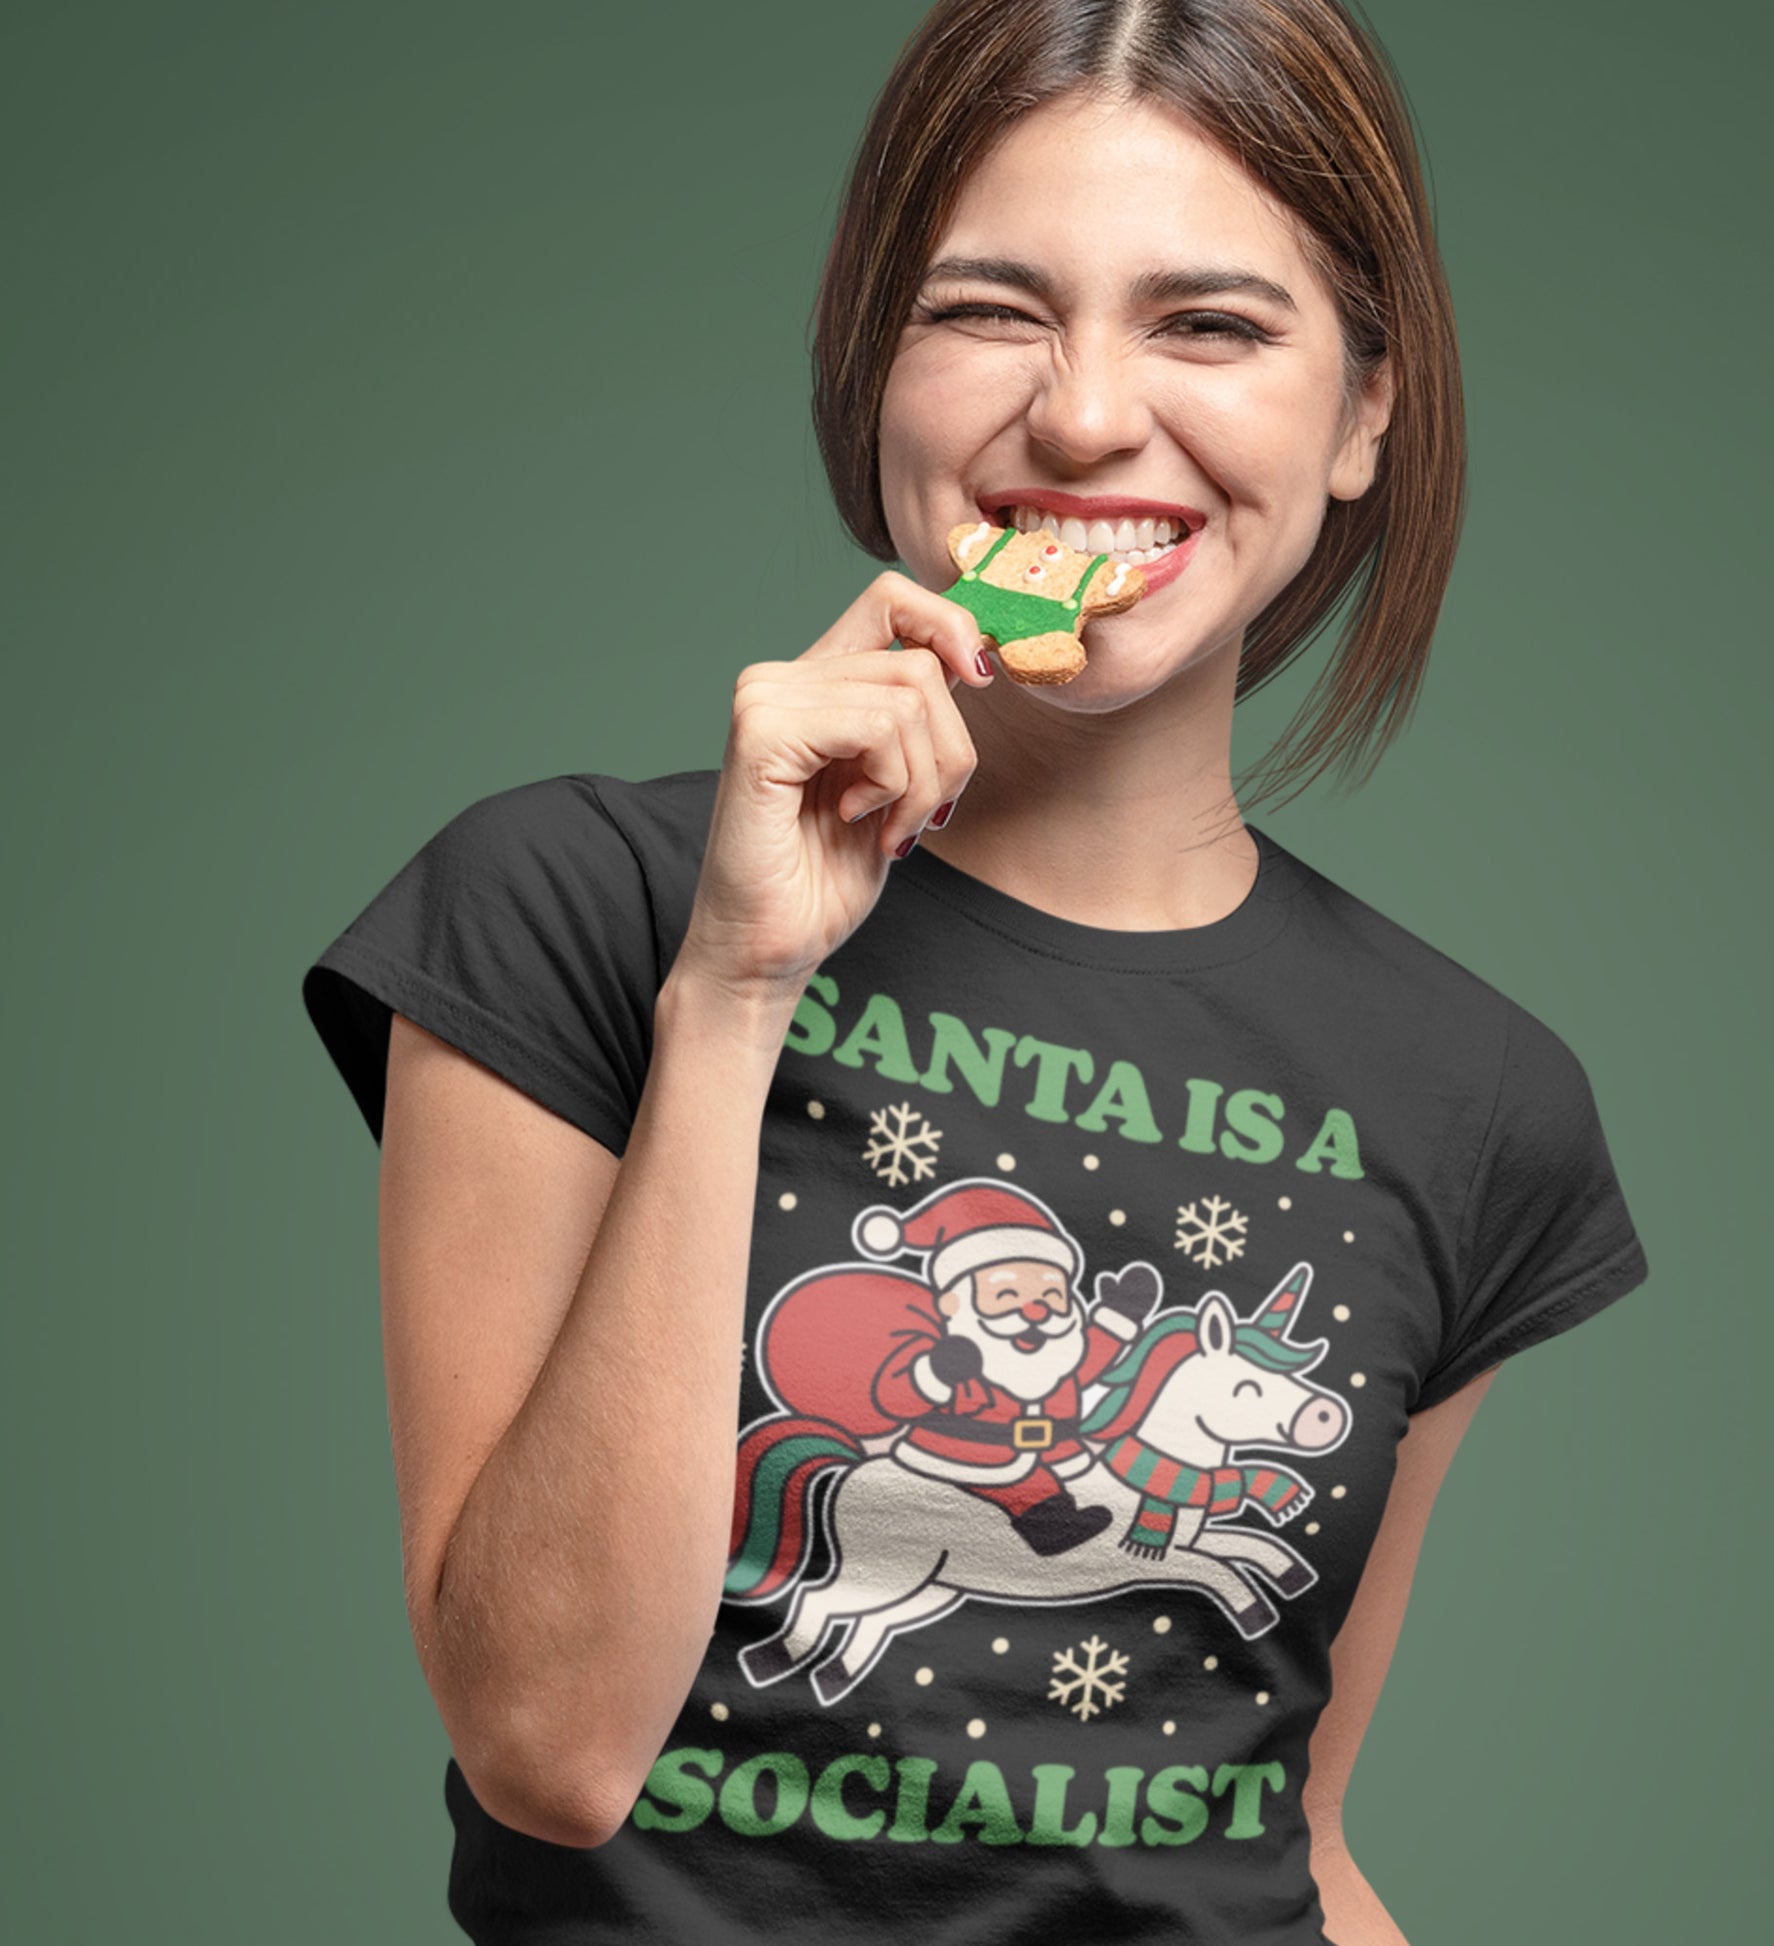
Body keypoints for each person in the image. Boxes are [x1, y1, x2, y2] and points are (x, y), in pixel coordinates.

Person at [300, 1, 1650, 1939]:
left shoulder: (1474, 1095)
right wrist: (735, 989)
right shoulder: (567, 905)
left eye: (1209, 324)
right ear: (874, 373)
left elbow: (1292, 1824)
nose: (1086, 415)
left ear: (1363, 413)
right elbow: (551, 1746)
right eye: (990, 311)